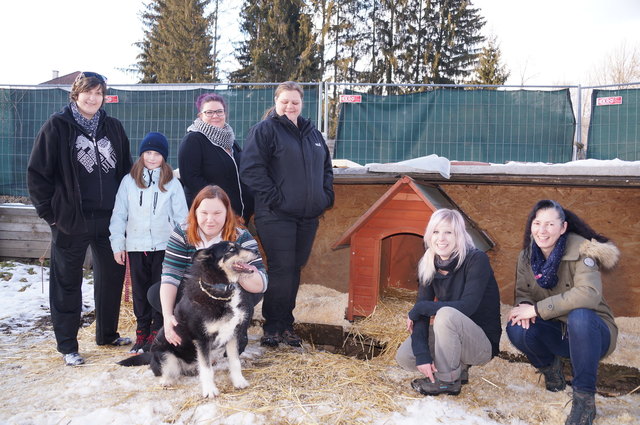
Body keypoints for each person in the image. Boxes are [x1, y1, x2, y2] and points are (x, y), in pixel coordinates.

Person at [27, 72, 133, 366]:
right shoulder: (57, 127)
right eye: (88, 92)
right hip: (70, 219)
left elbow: (125, 170)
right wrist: (50, 215)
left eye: (98, 93)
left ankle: (107, 334)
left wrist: (126, 212)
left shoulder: (113, 126)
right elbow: (38, 174)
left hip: (109, 219)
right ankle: (68, 346)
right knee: (67, 282)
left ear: (103, 97)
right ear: (76, 94)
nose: (93, 98)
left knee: (111, 277)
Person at [506, 200, 619, 425]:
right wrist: (525, 307)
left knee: (580, 316)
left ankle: (584, 401)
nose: (542, 230)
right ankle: (551, 369)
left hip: (593, 332)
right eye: (537, 223)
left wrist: (536, 309)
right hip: (558, 330)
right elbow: (523, 294)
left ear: (563, 227)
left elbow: (588, 294)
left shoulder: (583, 250)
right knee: (517, 327)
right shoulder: (527, 256)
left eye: (550, 224)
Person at [240, 81, 334, 348]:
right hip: (275, 215)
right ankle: (273, 327)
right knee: (281, 269)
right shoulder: (265, 130)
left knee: (293, 270)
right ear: (276, 101)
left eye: (295, 102)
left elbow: (326, 169)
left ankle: (286, 325)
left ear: (302, 103)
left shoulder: (313, 134)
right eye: (285, 101)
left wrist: (325, 197)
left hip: (307, 216)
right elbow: (251, 170)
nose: (290, 106)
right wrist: (276, 200)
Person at [147, 185, 267, 353]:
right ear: (195, 212)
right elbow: (170, 275)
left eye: (217, 213)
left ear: (227, 213)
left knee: (246, 293)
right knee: (155, 293)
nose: (210, 220)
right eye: (204, 213)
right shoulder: (182, 233)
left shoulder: (240, 237)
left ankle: (234, 339)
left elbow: (261, 285)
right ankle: (193, 333)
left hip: (229, 292)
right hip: (197, 292)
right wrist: (168, 317)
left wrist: (240, 269)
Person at [395, 209, 502, 396]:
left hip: (480, 343)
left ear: (458, 235)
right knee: (406, 358)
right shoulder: (429, 262)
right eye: (436, 232)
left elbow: (466, 307)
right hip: (451, 335)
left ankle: (448, 381)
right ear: (429, 235)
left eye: (448, 232)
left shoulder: (477, 259)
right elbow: (421, 314)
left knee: (445, 314)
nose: (441, 238)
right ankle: (458, 367)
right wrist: (422, 356)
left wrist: (420, 308)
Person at [109, 132, 188, 354]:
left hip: (165, 247)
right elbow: (119, 215)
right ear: (142, 154)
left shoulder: (172, 183)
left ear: (164, 157)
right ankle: (141, 332)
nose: (152, 158)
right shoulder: (128, 181)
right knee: (140, 293)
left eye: (157, 154)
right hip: (136, 246)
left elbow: (183, 217)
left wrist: (182, 246)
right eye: (148, 153)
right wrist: (118, 244)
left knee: (159, 290)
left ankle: (157, 331)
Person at [178, 93, 253, 223]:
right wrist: (220, 205)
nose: (215, 116)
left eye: (219, 111)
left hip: (239, 217)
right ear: (200, 116)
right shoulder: (193, 140)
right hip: (213, 218)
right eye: (209, 112)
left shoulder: (231, 141)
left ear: (225, 114)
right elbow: (191, 179)